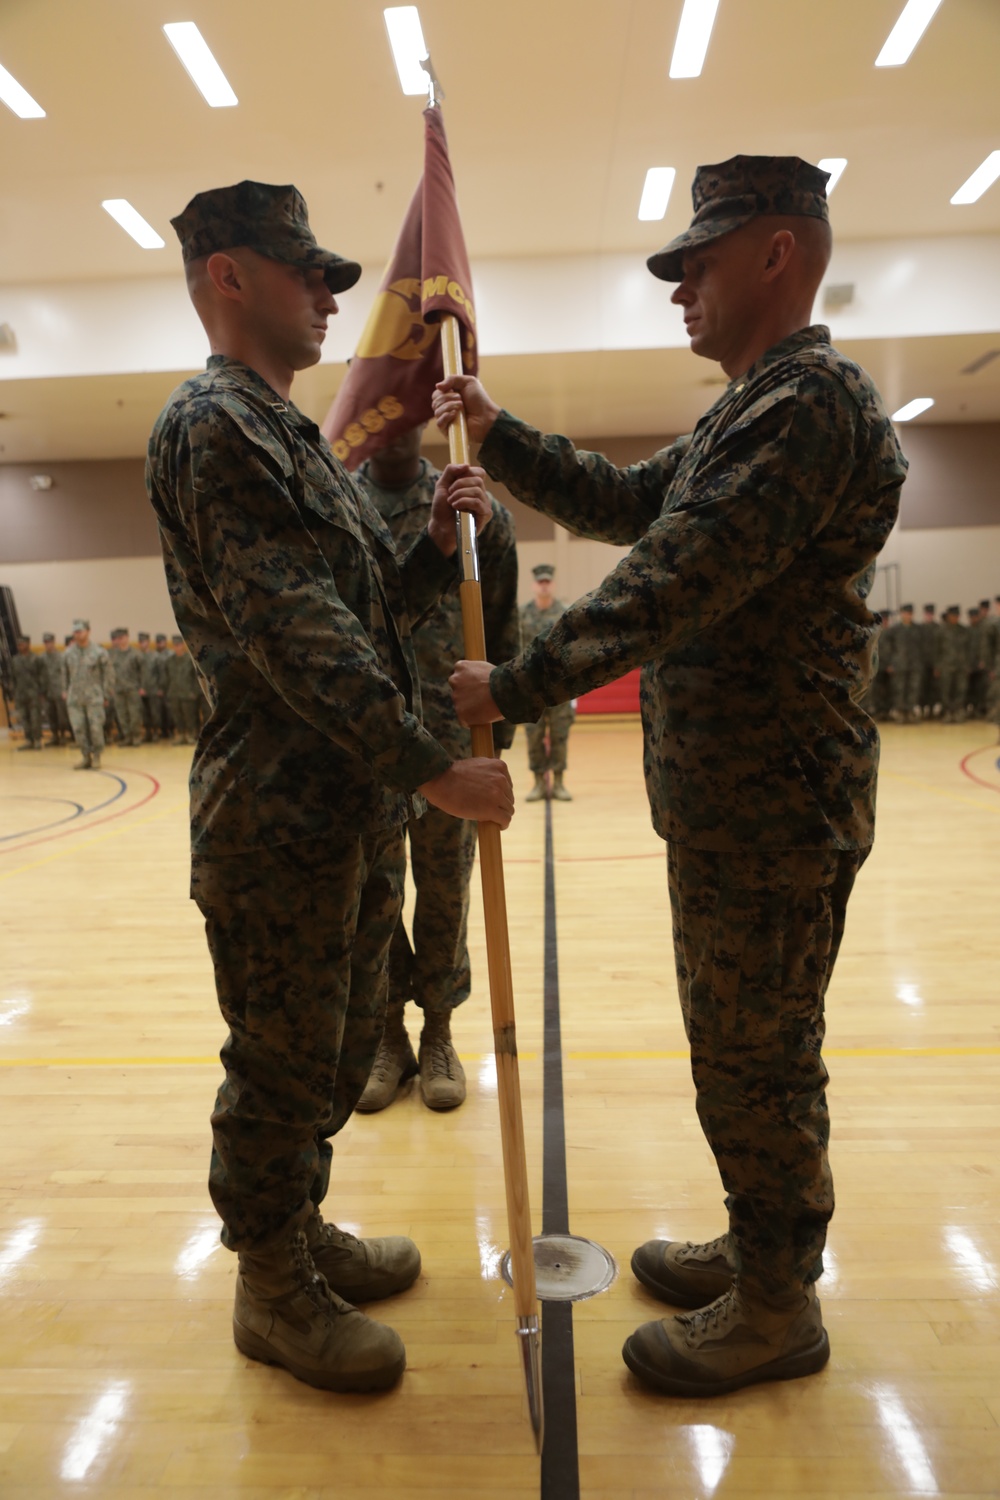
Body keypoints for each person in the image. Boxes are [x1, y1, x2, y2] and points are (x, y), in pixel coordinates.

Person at [436, 154, 906, 1397]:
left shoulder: (808, 403)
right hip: (735, 799)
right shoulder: (749, 405)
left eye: (696, 263)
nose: (677, 288)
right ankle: (757, 1249)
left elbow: (678, 572)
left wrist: (517, 681)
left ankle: (776, 1303)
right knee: (737, 1043)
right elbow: (632, 502)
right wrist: (500, 435)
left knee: (759, 1050)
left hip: (776, 799)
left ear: (776, 254)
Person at [145, 179, 512, 1395]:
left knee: (341, 1040)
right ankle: (269, 1287)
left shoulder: (290, 430)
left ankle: (301, 1233)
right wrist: (433, 770)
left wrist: (422, 552)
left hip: (340, 808)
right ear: (227, 277)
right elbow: (296, 637)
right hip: (275, 818)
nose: (327, 296)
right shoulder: (215, 425)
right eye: (304, 272)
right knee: (280, 1060)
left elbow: (345, 610)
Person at [355, 425, 520, 1112]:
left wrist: (501, 719)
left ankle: (439, 1032)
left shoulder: (464, 501)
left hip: (452, 730)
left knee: (447, 889)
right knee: (378, 892)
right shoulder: (340, 501)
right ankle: (388, 1033)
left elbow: (503, 609)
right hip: (374, 732)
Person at [520, 564, 576, 800]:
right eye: (540, 582)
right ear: (534, 585)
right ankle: (539, 783)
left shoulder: (564, 614)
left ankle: (560, 782)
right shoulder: (522, 615)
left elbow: (573, 650)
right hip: (531, 687)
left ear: (552, 585)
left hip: (559, 687)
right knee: (534, 735)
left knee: (559, 735)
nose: (544, 585)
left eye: (547, 582)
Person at [63, 620, 113, 769]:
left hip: (94, 698)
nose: (77, 634)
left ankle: (96, 756)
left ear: (88, 631)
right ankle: (85, 756)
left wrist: (106, 694)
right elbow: (64, 674)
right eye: (75, 632)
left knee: (96, 728)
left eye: (80, 631)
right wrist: (65, 691)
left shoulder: (99, 652)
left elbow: (109, 675)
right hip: (75, 699)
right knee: (79, 729)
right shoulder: (68, 653)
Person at [164, 634, 202, 744]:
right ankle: (180, 734)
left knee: (189, 716)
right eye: (175, 645)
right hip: (174, 693)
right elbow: (167, 677)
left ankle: (191, 734)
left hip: (188, 693)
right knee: (177, 716)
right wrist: (168, 691)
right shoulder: (169, 661)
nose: (177, 647)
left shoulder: (189, 659)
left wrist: (194, 692)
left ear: (183, 645)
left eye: (179, 645)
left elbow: (196, 677)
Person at [110, 628, 144, 746]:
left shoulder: (136, 654)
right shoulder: (113, 654)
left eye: (122, 638)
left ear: (127, 637)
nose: (120, 640)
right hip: (118, 689)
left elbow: (142, 671)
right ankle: (127, 737)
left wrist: (142, 686)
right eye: (118, 638)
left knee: (134, 714)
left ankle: (136, 737)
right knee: (122, 715)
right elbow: (110, 672)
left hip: (132, 688)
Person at [11, 636, 45, 750]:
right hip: (20, 694)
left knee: (35, 718)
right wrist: (14, 692)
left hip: (34, 694)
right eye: (19, 644)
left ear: (28, 644)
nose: (20, 646)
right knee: (24, 719)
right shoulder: (15, 660)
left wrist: (41, 692)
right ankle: (28, 740)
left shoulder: (36, 659)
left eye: (22, 644)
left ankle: (37, 740)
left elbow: (42, 676)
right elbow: (13, 678)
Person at [39, 633, 71, 745]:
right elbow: (40, 675)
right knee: (50, 715)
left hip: (59, 690)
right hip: (47, 691)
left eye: (50, 642)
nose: (48, 644)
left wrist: (65, 689)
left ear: (54, 642)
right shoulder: (41, 658)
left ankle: (63, 735)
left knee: (62, 716)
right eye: (46, 642)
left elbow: (66, 674)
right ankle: (55, 736)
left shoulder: (61, 656)